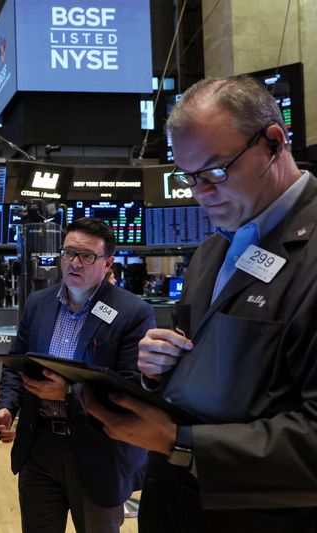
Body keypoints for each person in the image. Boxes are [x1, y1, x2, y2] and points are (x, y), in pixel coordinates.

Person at [83, 75, 317, 532]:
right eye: (188, 177)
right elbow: (201, 368)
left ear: (273, 142)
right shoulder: (213, 251)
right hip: (175, 507)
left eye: (215, 171)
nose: (200, 193)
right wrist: (157, 371)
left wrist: (180, 442)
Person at [0, 217, 154, 533]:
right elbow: (15, 364)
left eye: (87, 256)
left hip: (98, 451)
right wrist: (6, 406)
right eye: (68, 253)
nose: (74, 263)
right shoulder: (38, 304)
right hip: (39, 447)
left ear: (108, 263)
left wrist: (67, 394)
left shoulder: (133, 312)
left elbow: (131, 388)